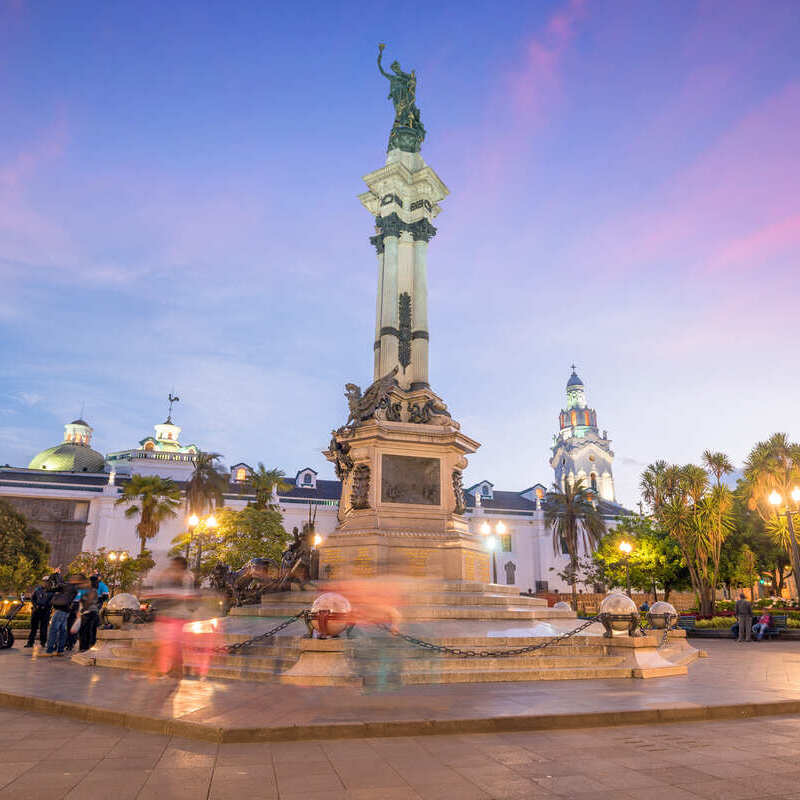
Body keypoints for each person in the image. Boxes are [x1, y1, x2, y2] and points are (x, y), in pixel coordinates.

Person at [43, 576, 79, 656]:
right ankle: (60, 650)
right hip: (66, 611)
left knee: (53, 630)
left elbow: (52, 588)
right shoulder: (74, 589)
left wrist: (55, 575)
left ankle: (49, 650)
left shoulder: (66, 586)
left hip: (60, 610)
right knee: (63, 630)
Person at [25, 579, 53, 648]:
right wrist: (35, 605)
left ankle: (43, 642)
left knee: (43, 628)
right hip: (36, 611)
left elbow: (52, 601)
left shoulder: (52, 591)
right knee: (33, 628)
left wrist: (46, 606)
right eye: (44, 581)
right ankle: (30, 643)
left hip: (45, 612)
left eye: (47, 582)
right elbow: (32, 598)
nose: (45, 583)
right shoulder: (37, 589)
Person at [78, 577, 100, 651]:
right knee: (90, 630)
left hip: (88, 612)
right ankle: (87, 646)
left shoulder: (92, 590)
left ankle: (84, 647)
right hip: (93, 612)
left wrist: (82, 600)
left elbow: (89, 602)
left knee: (85, 631)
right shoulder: (94, 590)